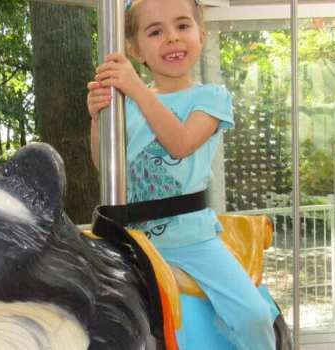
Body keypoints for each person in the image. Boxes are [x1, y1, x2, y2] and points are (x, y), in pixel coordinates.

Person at [85, 0, 276, 349]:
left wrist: (137, 89)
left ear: (201, 35)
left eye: (182, 26)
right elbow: (105, 165)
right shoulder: (127, 106)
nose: (172, 38)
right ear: (135, 49)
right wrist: (98, 119)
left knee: (254, 316)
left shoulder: (211, 98)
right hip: (132, 242)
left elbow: (180, 144)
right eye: (156, 31)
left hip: (193, 242)